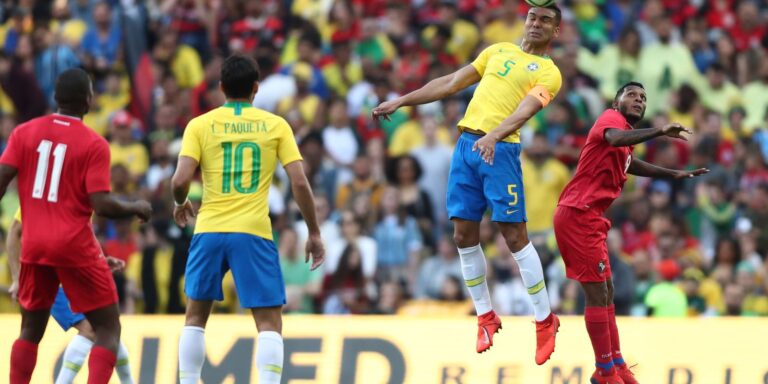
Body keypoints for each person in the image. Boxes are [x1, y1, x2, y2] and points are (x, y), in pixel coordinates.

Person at [373, 5, 562, 361]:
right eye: (533, 17)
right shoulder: (497, 50)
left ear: (556, 31)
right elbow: (449, 82)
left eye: (546, 21)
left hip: (500, 150)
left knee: (514, 235)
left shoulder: (550, 73)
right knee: (462, 235)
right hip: (467, 147)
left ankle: (544, 320)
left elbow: (525, 111)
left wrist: (493, 135)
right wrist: (401, 101)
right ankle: (486, 316)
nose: (536, 24)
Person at [171, 54, 325, 384]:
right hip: (253, 231)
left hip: (209, 228)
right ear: (256, 88)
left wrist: (180, 201)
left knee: (195, 317)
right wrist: (313, 231)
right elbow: (299, 182)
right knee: (269, 322)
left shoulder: (199, 125)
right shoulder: (276, 125)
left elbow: (179, 180)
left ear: (221, 87)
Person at [0, 68, 152, 384]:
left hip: (34, 247)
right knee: (108, 327)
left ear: (56, 97)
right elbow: (101, 205)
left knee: (30, 330)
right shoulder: (93, 144)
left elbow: (2, 180)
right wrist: (135, 205)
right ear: (88, 100)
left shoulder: (24, 133)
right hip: (73, 247)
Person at [553, 82, 709, 384]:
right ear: (616, 101)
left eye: (644, 98)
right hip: (578, 214)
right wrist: (660, 131)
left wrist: (672, 173)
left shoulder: (624, 138)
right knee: (597, 294)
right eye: (632, 95)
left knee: (607, 290)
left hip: (591, 216)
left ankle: (616, 362)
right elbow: (614, 139)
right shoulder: (611, 120)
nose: (639, 100)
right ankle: (605, 372)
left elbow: (629, 162)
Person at [6, 209, 135, 384]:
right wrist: (16, 278)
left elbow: (83, 234)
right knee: (93, 330)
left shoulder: (80, 194)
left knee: (108, 330)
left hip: (78, 275)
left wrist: (99, 261)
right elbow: (15, 231)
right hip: (52, 279)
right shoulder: (44, 193)